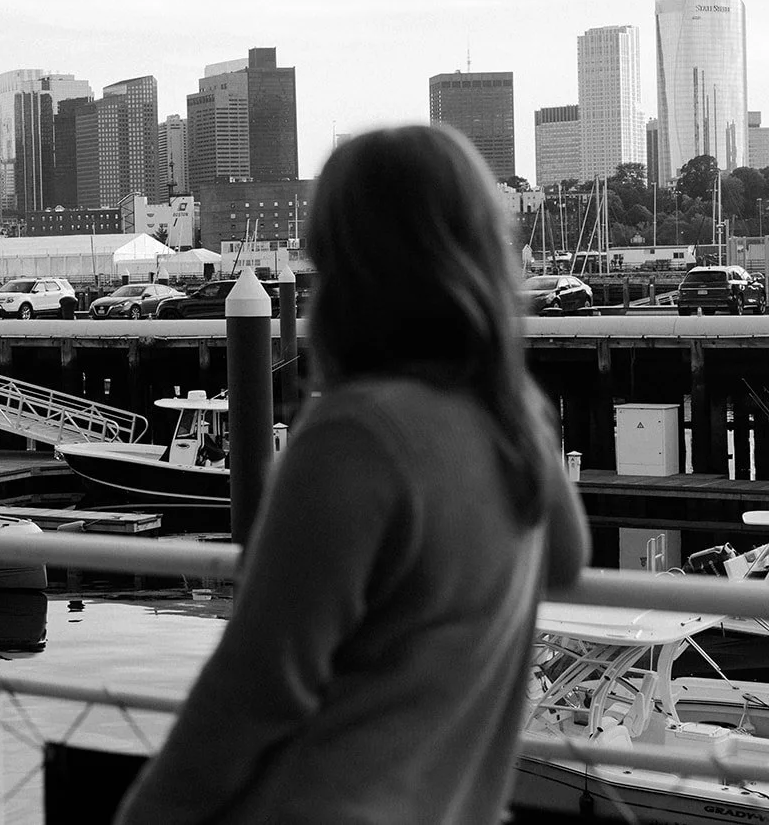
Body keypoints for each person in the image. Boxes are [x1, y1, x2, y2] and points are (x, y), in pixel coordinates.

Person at [114, 124, 589, 824]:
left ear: (349, 265)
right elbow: (567, 558)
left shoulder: (355, 436)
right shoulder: (513, 418)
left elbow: (254, 688)